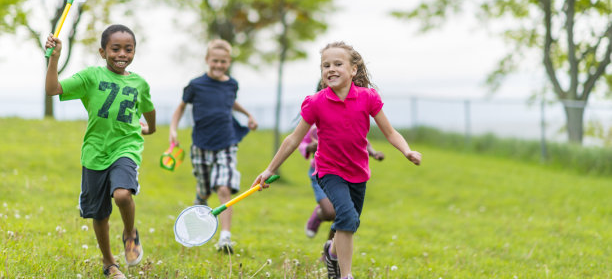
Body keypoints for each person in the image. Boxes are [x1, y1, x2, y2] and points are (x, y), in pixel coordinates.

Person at [252, 41, 421, 279]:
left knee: (348, 221)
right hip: (329, 171)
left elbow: (390, 132)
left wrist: (407, 151)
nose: (330, 69)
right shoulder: (316, 102)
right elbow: (293, 139)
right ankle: (346, 274)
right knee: (347, 217)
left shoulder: (368, 98)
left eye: (337, 64)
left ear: (353, 70)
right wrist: (270, 169)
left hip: (358, 173)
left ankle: (331, 253)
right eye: (325, 65)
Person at [45, 24, 156, 279]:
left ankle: (130, 233)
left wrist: (149, 128)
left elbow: (149, 108)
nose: (122, 55)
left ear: (134, 52)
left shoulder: (140, 83)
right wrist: (55, 59)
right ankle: (109, 263)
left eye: (128, 49)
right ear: (102, 52)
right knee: (99, 213)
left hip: (126, 147)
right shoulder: (91, 77)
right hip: (95, 153)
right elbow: (52, 89)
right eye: (115, 49)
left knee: (122, 195)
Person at [168, 39, 258, 254]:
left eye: (223, 62)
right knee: (204, 192)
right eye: (215, 61)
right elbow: (181, 108)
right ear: (207, 60)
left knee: (224, 188)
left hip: (226, 143)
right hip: (201, 145)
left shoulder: (232, 84)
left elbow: (229, 102)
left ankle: (225, 239)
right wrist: (173, 130)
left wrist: (248, 115)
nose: (219, 65)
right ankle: (192, 228)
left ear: (228, 62)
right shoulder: (196, 85)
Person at [300, 109, 385, 241]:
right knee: (330, 212)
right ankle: (318, 215)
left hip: (345, 172)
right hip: (321, 171)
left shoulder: (349, 118)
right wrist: (311, 147)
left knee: (343, 213)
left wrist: (374, 153)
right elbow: (301, 143)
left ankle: (330, 254)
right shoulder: (313, 125)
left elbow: (362, 140)